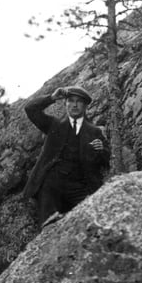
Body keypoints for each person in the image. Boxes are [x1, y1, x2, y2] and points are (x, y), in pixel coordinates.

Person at [23, 85, 110, 228]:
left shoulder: (94, 131)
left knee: (92, 221)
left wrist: (102, 150)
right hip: (52, 183)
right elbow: (30, 109)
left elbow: (106, 161)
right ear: (65, 103)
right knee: (48, 224)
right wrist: (51, 98)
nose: (74, 105)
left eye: (79, 101)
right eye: (71, 101)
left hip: (79, 186)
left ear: (85, 106)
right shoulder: (54, 125)